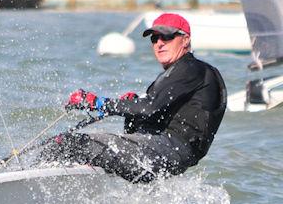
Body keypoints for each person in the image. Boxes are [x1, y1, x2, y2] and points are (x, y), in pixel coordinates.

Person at [39, 13, 227, 183]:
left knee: (68, 143)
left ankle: (26, 184)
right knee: (73, 146)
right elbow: (146, 120)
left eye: (167, 37)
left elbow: (149, 108)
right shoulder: (185, 75)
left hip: (165, 152)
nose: (159, 43)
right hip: (168, 157)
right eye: (155, 38)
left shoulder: (191, 68)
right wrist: (132, 109)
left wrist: (96, 102)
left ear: (185, 40)